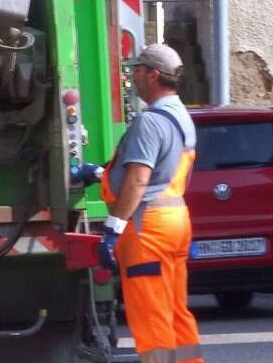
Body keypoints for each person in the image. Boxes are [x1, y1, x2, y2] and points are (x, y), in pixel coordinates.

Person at [73, 44, 204, 363]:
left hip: (147, 231)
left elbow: (138, 180)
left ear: (154, 75)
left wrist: (112, 229)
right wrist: (104, 173)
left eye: (137, 71)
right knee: (175, 311)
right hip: (174, 223)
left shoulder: (150, 122)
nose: (132, 76)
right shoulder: (180, 116)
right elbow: (162, 172)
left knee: (151, 316)